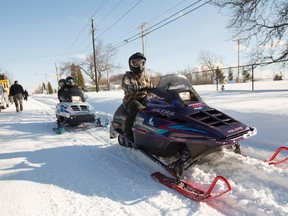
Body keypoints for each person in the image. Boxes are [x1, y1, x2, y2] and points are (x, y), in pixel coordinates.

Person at [121, 52, 150, 141]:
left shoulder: (145, 76)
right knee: (137, 106)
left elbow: (151, 86)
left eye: (141, 62)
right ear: (131, 64)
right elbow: (125, 85)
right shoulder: (127, 76)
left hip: (144, 99)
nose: (139, 65)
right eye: (136, 62)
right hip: (131, 100)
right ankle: (128, 131)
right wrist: (130, 86)